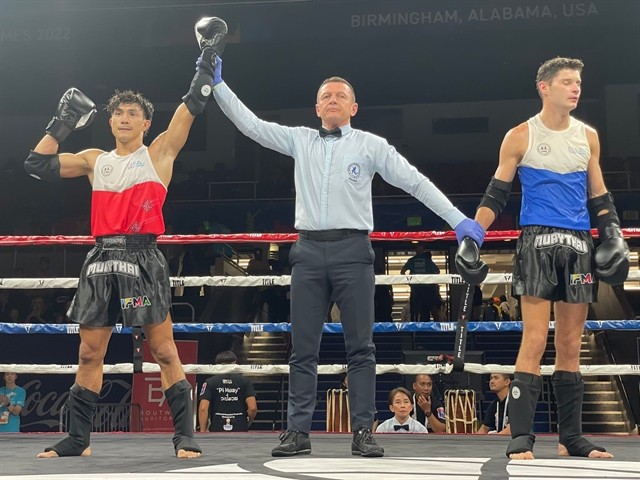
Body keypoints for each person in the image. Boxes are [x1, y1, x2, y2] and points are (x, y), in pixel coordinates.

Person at [211, 57, 484, 459]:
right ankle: (298, 432)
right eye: (326, 96)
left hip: (353, 251)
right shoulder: (299, 139)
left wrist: (458, 219)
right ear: (317, 108)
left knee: (362, 347)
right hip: (306, 250)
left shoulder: (370, 145)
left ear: (353, 108)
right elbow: (250, 125)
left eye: (341, 95)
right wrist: (218, 85)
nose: (333, 100)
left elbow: (414, 181)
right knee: (302, 348)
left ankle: (362, 431)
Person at [25, 16, 228, 458]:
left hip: (141, 261)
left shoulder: (159, 153)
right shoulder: (94, 159)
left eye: (132, 113)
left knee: (164, 349)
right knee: (88, 353)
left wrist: (210, 53)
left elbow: (194, 103)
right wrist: (63, 123)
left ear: (146, 122)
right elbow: (36, 166)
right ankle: (78, 438)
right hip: (101, 260)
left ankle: (184, 436)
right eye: (117, 112)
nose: (122, 117)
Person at [474, 57, 628, 460]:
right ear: (544, 87)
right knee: (535, 338)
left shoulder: (588, 136)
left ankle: (571, 437)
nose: (575, 88)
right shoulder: (521, 135)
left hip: (578, 245)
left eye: (578, 82)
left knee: (570, 344)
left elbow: (599, 195)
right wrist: (473, 235)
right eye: (567, 82)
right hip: (537, 243)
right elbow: (496, 194)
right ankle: (521, 437)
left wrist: (612, 235)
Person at [198, 350, 257, 432]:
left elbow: (203, 408)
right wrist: (248, 423)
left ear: (217, 365)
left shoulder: (209, 382)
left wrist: (202, 430)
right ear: (235, 362)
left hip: (217, 427)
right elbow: (253, 408)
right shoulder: (246, 381)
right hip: (240, 428)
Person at [400, 243, 441, 321]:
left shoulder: (412, 260)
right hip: (425, 288)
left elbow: (402, 271)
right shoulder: (427, 261)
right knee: (425, 310)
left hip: (416, 288)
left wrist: (410, 283)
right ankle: (424, 329)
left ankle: (415, 328)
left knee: (415, 310)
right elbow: (437, 271)